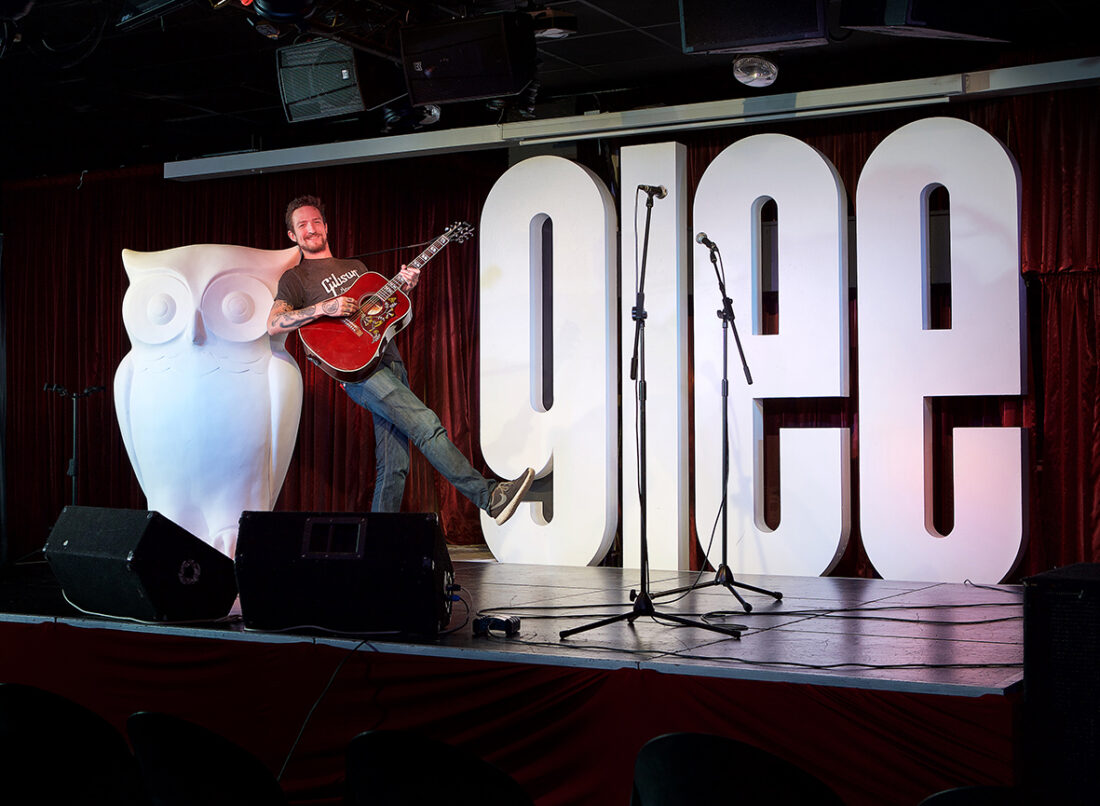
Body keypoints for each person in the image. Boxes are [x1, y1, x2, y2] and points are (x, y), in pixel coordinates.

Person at [267, 195, 534, 525]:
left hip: (389, 361)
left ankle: (376, 547)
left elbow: (380, 317)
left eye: (316, 222)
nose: (311, 229)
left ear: (326, 226)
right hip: (359, 374)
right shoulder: (295, 279)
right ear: (293, 235)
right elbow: (273, 322)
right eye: (302, 225)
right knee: (426, 425)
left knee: (395, 464)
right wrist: (325, 307)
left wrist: (405, 288)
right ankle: (489, 496)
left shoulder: (356, 267)